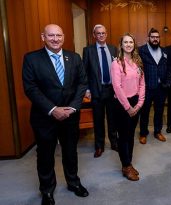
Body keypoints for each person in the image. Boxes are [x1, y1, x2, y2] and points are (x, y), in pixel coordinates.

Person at [22, 24, 89, 205]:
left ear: (64, 37)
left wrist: (74, 107)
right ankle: (47, 190)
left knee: (70, 152)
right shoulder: (31, 59)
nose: (55, 39)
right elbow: (31, 88)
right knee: (45, 154)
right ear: (42, 36)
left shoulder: (74, 58)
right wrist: (53, 109)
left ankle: (73, 182)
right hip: (44, 117)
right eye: (51, 35)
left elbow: (82, 83)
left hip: (70, 116)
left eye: (58, 35)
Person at [111, 33, 145, 181]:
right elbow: (117, 88)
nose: (129, 44)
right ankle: (125, 166)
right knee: (123, 136)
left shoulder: (137, 62)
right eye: (126, 42)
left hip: (135, 102)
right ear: (121, 45)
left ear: (134, 45)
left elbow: (142, 84)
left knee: (131, 135)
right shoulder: (116, 63)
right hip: (121, 104)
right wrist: (128, 107)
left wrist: (139, 103)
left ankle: (128, 163)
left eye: (131, 42)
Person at [82, 24, 118, 158]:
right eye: (98, 33)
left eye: (103, 33)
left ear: (106, 34)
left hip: (111, 90)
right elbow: (84, 72)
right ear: (94, 35)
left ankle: (114, 142)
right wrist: (86, 89)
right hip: (96, 90)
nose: (101, 35)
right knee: (98, 120)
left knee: (112, 119)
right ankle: (99, 146)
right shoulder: (88, 50)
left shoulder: (113, 49)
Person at [138, 28, 170, 144]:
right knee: (145, 112)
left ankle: (157, 131)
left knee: (159, 111)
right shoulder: (141, 50)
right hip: (146, 87)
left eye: (157, 37)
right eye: (153, 37)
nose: (155, 39)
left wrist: (167, 83)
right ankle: (143, 133)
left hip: (161, 88)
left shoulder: (164, 51)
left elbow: (168, 68)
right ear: (149, 38)